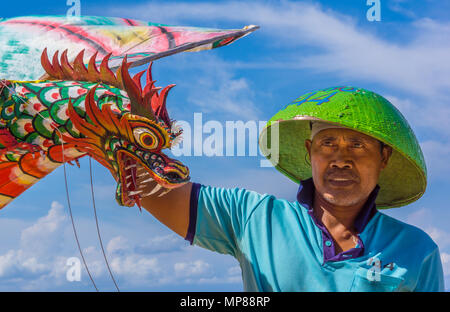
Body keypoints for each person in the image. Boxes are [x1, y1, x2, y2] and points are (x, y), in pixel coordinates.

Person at [135, 86, 445, 292]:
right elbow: (155, 191)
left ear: (384, 158)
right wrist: (109, 128)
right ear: (310, 151)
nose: (340, 160)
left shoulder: (417, 250)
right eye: (328, 144)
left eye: (357, 145)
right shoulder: (252, 217)